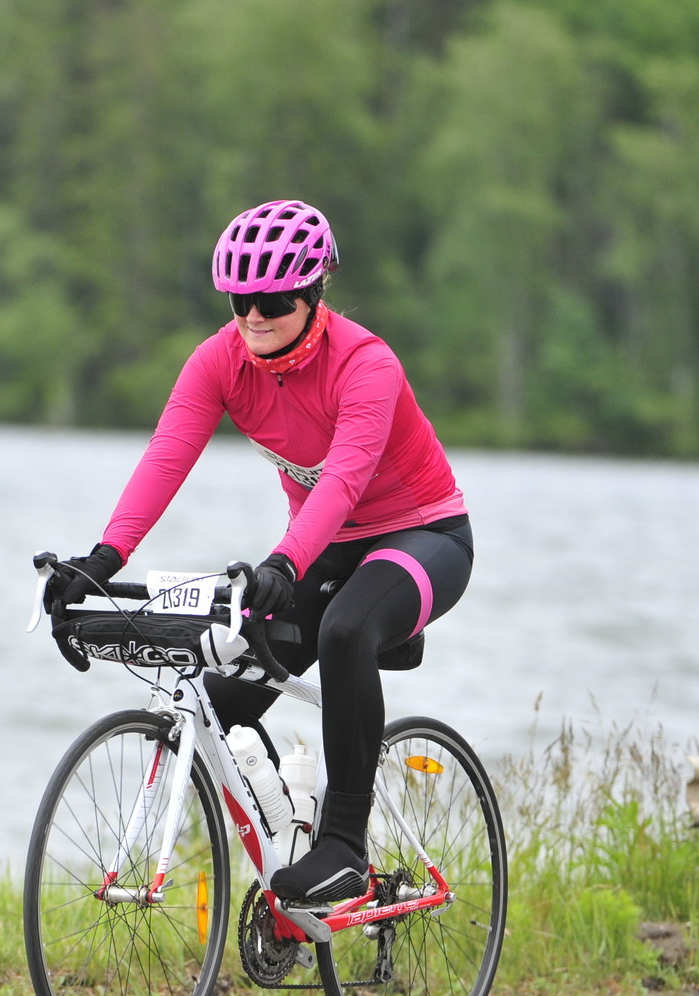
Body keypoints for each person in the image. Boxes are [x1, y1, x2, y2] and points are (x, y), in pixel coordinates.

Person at [47, 199, 472, 905]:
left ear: (314, 292)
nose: (253, 316)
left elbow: (342, 482)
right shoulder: (220, 360)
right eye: (239, 300)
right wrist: (102, 559)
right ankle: (288, 844)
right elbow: (166, 458)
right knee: (222, 703)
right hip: (321, 548)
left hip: (422, 536)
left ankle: (344, 846)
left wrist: (283, 562)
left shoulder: (366, 363)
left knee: (345, 631)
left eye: (272, 301)